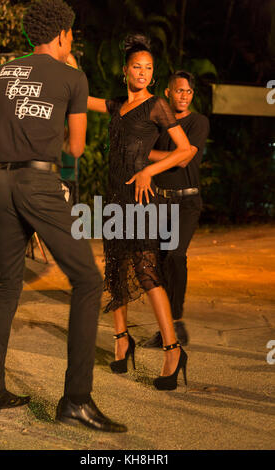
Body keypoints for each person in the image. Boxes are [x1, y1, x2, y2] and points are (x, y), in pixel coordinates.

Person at [0, 0, 126, 433]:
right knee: (88, 280)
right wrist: (52, 124)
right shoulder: (72, 77)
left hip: (1, 184)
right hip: (40, 186)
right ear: (61, 34)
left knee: (7, 287)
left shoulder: (1, 73)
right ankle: (76, 400)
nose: (72, 41)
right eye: (71, 35)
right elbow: (75, 149)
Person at [87, 34, 192, 390]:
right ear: (125, 70)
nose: (143, 73)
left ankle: (173, 349)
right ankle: (121, 340)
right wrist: (63, 64)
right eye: (137, 67)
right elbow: (82, 98)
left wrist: (149, 170)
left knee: (147, 272)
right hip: (114, 197)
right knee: (115, 270)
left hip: (140, 199)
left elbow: (186, 150)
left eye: (148, 68)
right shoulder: (117, 105)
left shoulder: (157, 106)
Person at [142, 71, 210, 348]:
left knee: (175, 255)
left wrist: (152, 155)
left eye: (188, 92)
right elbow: (141, 151)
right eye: (179, 91)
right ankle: (166, 329)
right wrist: (165, 155)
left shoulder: (198, 122)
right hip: (160, 201)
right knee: (157, 263)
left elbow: (184, 160)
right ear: (168, 93)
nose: (183, 96)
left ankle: (177, 322)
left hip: (187, 202)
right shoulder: (158, 125)